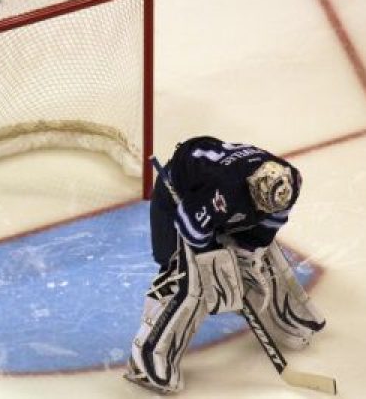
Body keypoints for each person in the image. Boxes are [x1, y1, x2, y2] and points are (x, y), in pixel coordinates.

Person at [124, 136, 326, 394]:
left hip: (222, 200)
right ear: (253, 186)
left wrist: (247, 253)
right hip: (180, 198)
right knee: (185, 276)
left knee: (262, 258)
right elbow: (191, 228)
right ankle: (147, 356)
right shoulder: (227, 190)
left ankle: (281, 314)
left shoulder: (290, 181)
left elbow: (267, 227)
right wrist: (214, 261)